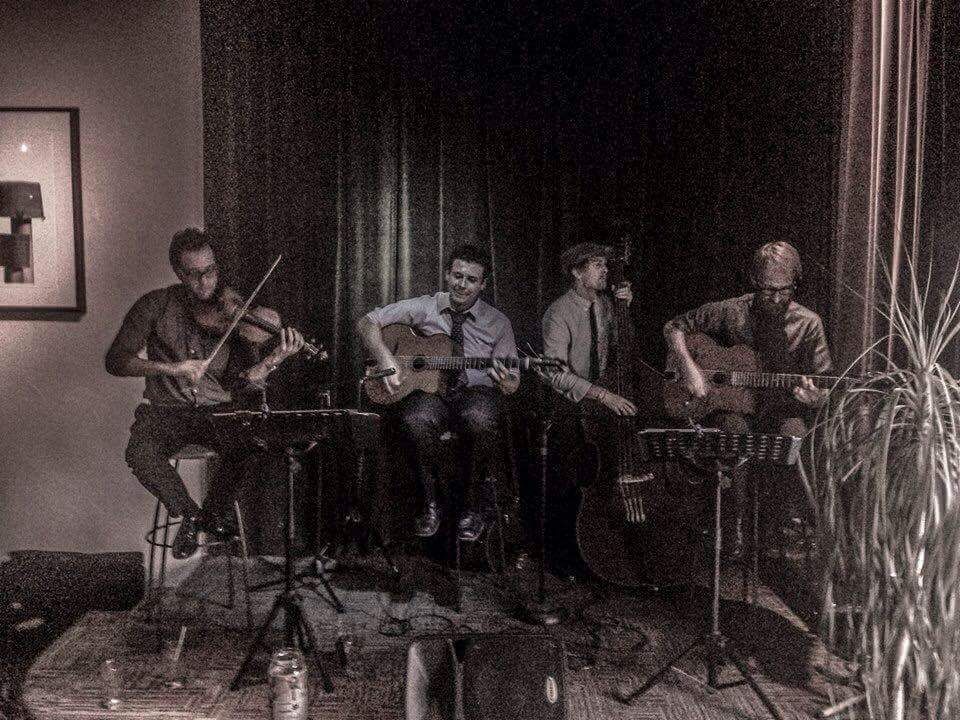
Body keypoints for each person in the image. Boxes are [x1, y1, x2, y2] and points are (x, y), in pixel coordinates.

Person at [105, 228, 305, 559]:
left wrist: (274, 359)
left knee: (250, 443)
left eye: (210, 270)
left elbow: (243, 382)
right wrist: (173, 368)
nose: (206, 282)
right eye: (195, 274)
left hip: (216, 411)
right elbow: (116, 361)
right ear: (178, 273)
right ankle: (192, 516)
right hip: (166, 411)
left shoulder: (231, 310)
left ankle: (209, 518)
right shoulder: (155, 305)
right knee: (139, 452)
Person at [663, 240, 833, 556]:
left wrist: (815, 398)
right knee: (734, 432)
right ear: (755, 282)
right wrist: (689, 367)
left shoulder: (809, 324)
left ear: (795, 283)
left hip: (780, 408)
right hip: (733, 406)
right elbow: (674, 327)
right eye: (768, 290)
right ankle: (733, 529)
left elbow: (824, 385)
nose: (776, 298)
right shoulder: (731, 311)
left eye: (784, 290)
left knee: (795, 435)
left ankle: (774, 532)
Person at [356, 244, 519, 542]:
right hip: (431, 391)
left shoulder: (498, 323)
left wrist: (506, 381)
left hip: (475, 391)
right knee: (416, 419)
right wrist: (385, 359)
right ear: (447, 274)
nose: (462, 284)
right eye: (457, 276)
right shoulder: (425, 307)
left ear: (483, 284)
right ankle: (430, 503)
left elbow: (512, 384)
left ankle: (471, 507)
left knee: (479, 417)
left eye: (471, 279)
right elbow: (367, 322)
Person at [538, 242, 636, 578]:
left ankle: (611, 545)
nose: (606, 271)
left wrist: (625, 311)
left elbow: (625, 353)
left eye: (606, 265)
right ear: (577, 272)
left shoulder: (609, 306)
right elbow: (554, 374)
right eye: (597, 265)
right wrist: (602, 395)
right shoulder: (558, 312)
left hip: (604, 402)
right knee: (572, 467)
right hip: (571, 402)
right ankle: (564, 554)